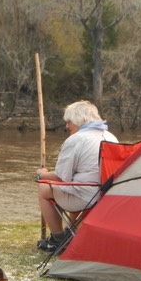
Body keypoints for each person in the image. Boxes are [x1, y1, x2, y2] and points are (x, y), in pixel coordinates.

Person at [36, 100, 118, 251]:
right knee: (75, 183)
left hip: (85, 197)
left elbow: (61, 177)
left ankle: (57, 239)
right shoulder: (111, 137)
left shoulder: (76, 139)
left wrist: (43, 174)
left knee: (44, 188)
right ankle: (71, 233)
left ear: (79, 120)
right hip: (106, 196)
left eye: (69, 122)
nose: (67, 126)